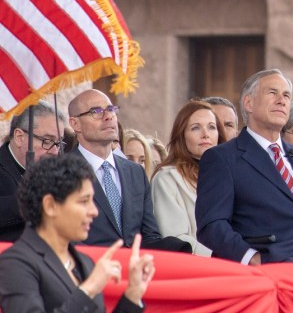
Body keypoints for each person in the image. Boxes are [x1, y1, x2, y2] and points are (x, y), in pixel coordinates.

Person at [196, 69, 293, 263]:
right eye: (272, 93)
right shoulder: (222, 158)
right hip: (270, 263)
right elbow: (212, 225)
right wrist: (250, 257)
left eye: (286, 95)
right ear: (248, 103)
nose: (282, 100)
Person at [0, 153, 154, 312]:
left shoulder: (84, 262)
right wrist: (89, 289)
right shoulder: (16, 262)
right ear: (50, 205)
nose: (94, 211)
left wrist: (133, 294)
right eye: (83, 201)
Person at [68, 89, 163, 249]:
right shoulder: (60, 171)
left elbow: (150, 235)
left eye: (111, 109)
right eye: (96, 111)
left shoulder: (135, 172)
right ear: (75, 124)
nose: (108, 116)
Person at [151, 100, 227, 256]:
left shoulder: (230, 174)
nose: (205, 134)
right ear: (182, 136)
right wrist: (223, 256)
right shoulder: (167, 178)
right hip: (200, 267)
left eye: (211, 127)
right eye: (195, 128)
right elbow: (176, 238)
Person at [0, 102, 66, 242]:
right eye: (47, 141)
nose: (55, 152)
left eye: (59, 143)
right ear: (19, 137)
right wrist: (36, 200)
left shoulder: (57, 172)